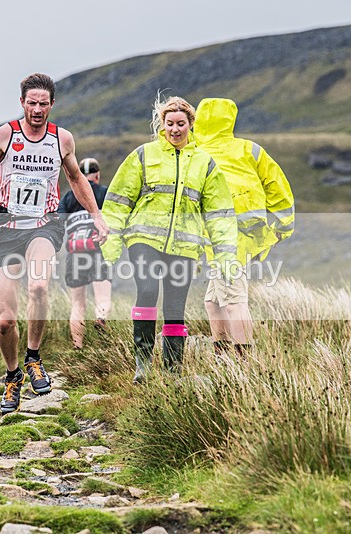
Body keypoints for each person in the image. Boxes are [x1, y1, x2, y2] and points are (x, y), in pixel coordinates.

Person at [0, 73, 109, 413]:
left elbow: (76, 179)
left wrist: (97, 216)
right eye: (32, 103)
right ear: (22, 103)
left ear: (52, 105)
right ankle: (13, 376)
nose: (38, 109)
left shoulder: (62, 139)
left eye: (44, 104)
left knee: (40, 287)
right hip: (6, 230)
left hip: (44, 226)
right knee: (5, 321)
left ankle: (33, 356)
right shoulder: (6, 134)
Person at [100, 95, 237, 383]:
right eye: (169, 123)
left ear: (191, 125)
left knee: (175, 308)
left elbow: (219, 214)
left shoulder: (205, 164)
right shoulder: (143, 155)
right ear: (161, 125)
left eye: (181, 124)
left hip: (185, 245)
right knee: (148, 290)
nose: (175, 129)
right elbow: (117, 201)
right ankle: (143, 365)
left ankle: (173, 372)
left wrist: (225, 256)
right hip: (143, 239)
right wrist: (111, 243)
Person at [194, 97, 294, 357]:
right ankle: (223, 354)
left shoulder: (196, 153)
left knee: (235, 301)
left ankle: (244, 364)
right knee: (213, 301)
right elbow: (277, 184)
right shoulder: (250, 149)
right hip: (247, 232)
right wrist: (284, 224)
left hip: (222, 238)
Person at [58, 157, 113, 349]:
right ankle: (101, 318)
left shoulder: (67, 197)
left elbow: (58, 220)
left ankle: (77, 346)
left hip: (75, 253)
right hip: (98, 248)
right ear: (97, 175)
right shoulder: (105, 192)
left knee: (78, 304)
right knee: (103, 297)